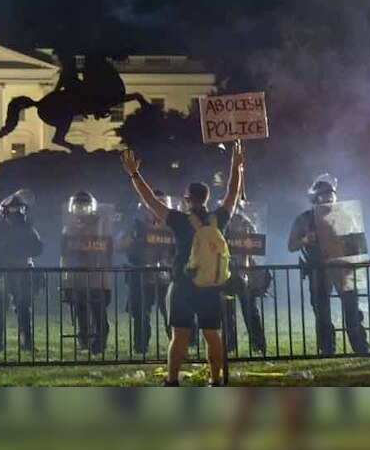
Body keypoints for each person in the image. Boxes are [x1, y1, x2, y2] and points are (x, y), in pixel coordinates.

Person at [122, 141, 244, 387]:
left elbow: (150, 201)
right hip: (211, 286)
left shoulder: (179, 220)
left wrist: (134, 174)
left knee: (179, 337)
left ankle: (172, 380)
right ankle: (216, 380)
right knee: (212, 335)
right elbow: (232, 192)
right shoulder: (219, 218)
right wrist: (236, 167)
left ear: (187, 200)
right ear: (207, 199)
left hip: (184, 285)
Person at [287, 176, 369, 355]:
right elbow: (291, 245)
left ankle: (361, 347)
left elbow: (356, 240)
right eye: (324, 196)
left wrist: (360, 256)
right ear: (316, 198)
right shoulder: (305, 219)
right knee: (322, 311)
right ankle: (327, 348)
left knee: (352, 308)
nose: (328, 199)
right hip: (318, 269)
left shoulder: (345, 216)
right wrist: (306, 239)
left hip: (344, 268)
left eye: (331, 195)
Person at [0, 190, 44, 352]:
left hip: (22, 273)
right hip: (1, 274)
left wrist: (18, 249)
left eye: (19, 210)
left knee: (23, 308)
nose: (16, 214)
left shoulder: (28, 230)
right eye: (13, 210)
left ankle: (25, 342)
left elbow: (38, 248)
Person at [115, 192, 173, 355]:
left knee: (171, 313)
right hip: (140, 276)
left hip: (165, 277)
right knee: (140, 313)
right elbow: (118, 247)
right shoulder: (136, 225)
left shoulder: (172, 227)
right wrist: (132, 238)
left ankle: (178, 345)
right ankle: (141, 346)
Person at [60, 190, 114, 355]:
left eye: (85, 207)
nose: (81, 210)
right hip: (77, 276)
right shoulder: (68, 229)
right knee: (81, 309)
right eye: (78, 207)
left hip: (97, 276)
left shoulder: (101, 227)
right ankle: (84, 339)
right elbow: (64, 254)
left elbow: (108, 253)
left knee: (98, 311)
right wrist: (66, 277)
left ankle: (99, 342)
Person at [223, 202, 267, 355]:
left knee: (250, 310)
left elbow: (255, 245)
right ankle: (229, 345)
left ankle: (258, 344)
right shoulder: (221, 222)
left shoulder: (246, 223)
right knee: (227, 311)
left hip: (244, 270)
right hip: (226, 271)